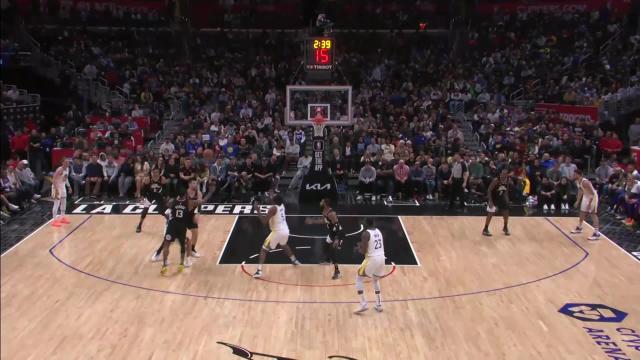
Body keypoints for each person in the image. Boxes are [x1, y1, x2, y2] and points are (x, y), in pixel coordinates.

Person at [251, 194, 300, 278]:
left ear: (274, 201)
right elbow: (273, 200)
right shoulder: (281, 205)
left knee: (264, 250)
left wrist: (257, 210)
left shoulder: (273, 208)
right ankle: (294, 260)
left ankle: (259, 271)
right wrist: (269, 196)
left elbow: (264, 222)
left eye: (273, 197)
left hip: (277, 232)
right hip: (285, 230)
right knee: (284, 245)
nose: (271, 197)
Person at [354, 218, 385, 314]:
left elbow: (363, 251)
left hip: (372, 259)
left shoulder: (366, 233)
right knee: (375, 280)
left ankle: (363, 304)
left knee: (359, 278)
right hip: (382, 258)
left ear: (366, 224)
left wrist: (358, 248)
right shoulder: (379, 231)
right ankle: (379, 305)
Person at [307, 198, 343, 279]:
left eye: (322, 201)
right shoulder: (324, 211)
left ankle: (337, 272)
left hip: (337, 233)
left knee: (332, 252)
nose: (320, 202)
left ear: (325, 204)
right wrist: (312, 221)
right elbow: (324, 221)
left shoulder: (331, 213)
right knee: (325, 247)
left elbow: (337, 226)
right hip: (332, 233)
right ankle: (327, 260)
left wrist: (337, 239)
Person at [160, 193, 189, 275]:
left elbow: (166, 206)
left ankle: (164, 265)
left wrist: (167, 202)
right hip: (182, 226)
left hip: (172, 225)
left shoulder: (173, 201)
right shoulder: (188, 202)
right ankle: (181, 264)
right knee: (182, 245)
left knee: (166, 244)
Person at [570, 169, 601, 240]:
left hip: (593, 197)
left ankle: (597, 233)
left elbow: (592, 194)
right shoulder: (577, 181)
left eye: (574, 174)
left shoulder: (585, 182)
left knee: (593, 214)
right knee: (582, 212)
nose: (573, 175)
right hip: (586, 196)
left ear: (578, 174)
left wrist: (589, 204)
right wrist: (577, 201)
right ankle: (580, 227)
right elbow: (580, 191)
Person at [136, 168, 167, 233]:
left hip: (159, 196)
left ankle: (169, 221)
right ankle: (139, 225)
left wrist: (166, 196)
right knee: (145, 210)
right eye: (154, 172)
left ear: (159, 173)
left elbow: (166, 189)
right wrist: (142, 197)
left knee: (162, 211)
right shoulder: (147, 179)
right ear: (151, 173)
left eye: (157, 172)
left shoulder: (162, 179)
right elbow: (143, 189)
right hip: (150, 196)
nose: (155, 174)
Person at [483, 168, 512, 236]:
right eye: (503, 173)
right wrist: (490, 201)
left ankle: (505, 227)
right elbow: (489, 190)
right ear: (500, 174)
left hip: (501, 197)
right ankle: (485, 229)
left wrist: (507, 199)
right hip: (493, 198)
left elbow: (506, 190)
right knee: (491, 213)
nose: (504, 175)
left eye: (505, 174)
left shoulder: (508, 180)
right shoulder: (496, 180)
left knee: (506, 212)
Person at [51, 159, 72, 227]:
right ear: (62, 162)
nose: (67, 163)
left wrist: (69, 186)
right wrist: (56, 189)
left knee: (64, 202)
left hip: (63, 187)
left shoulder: (67, 169)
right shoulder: (59, 170)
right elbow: (53, 179)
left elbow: (66, 178)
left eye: (68, 162)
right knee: (56, 203)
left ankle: (62, 217)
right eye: (66, 162)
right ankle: (54, 220)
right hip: (56, 187)